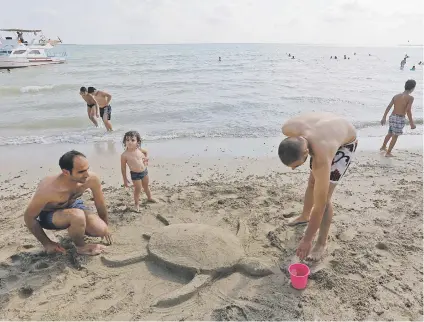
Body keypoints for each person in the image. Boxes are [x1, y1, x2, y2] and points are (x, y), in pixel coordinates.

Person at [278, 112, 358, 261]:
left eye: (296, 166)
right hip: (327, 128)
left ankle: (322, 243)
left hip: (345, 143)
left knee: (325, 198)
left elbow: (320, 206)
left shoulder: (321, 158)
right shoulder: (288, 128)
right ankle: (304, 216)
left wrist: (307, 239)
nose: (293, 169)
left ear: (307, 152)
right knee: (312, 183)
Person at [23, 150, 112, 256]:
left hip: (73, 205)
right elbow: (29, 217)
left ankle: (75, 229)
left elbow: (100, 203)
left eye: (87, 169)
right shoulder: (48, 189)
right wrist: (47, 243)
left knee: (101, 229)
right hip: (49, 215)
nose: (87, 174)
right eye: (81, 172)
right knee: (77, 216)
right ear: (66, 172)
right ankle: (81, 247)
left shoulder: (91, 179)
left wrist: (106, 226)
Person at [120, 131, 156, 211]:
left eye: (132, 140)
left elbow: (146, 152)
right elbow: (123, 168)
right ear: (124, 142)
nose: (129, 142)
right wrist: (125, 180)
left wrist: (146, 158)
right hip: (135, 174)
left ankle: (149, 198)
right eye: (127, 140)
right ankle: (136, 204)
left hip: (144, 172)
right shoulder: (124, 155)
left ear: (137, 142)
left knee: (146, 186)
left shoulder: (139, 150)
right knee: (138, 189)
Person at [380, 79, 416, 157]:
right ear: (413, 88)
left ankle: (383, 146)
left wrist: (384, 117)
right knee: (395, 136)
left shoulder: (396, 96)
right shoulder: (410, 98)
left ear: (405, 86)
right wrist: (411, 123)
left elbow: (389, 106)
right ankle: (388, 152)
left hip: (392, 117)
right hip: (399, 118)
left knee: (390, 133)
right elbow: (408, 111)